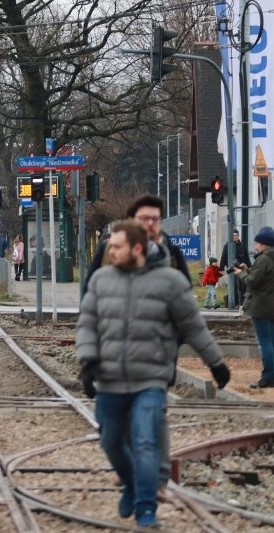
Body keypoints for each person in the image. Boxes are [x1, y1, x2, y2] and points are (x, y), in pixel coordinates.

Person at [76, 219, 230, 529]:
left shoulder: (170, 282)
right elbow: (87, 324)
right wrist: (88, 362)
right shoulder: (101, 280)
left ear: (137, 248)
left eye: (116, 247)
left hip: (150, 379)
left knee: (146, 441)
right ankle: (132, 484)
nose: (111, 252)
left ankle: (146, 509)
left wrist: (215, 363)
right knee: (109, 441)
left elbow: (193, 326)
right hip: (109, 379)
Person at [84, 195, 190, 495]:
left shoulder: (170, 250)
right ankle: (131, 468)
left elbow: (185, 302)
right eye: (144, 219)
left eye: (155, 219)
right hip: (116, 346)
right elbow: (89, 292)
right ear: (132, 221)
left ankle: (158, 478)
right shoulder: (109, 250)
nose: (151, 224)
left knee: (156, 413)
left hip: (160, 349)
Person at [233, 226, 274, 388]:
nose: (255, 246)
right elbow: (264, 279)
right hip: (271, 306)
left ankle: (268, 376)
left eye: (257, 243)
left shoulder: (263, 259)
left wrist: (241, 274)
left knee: (264, 342)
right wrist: (248, 269)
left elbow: (253, 282)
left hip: (261, 306)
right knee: (271, 341)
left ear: (264, 244)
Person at [220, 229, 251, 308]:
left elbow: (246, 257)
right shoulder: (227, 246)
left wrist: (249, 267)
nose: (235, 237)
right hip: (232, 269)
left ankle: (243, 303)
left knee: (243, 286)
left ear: (238, 236)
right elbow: (223, 257)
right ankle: (236, 303)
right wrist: (221, 268)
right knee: (234, 286)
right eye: (233, 236)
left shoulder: (241, 245)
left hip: (241, 268)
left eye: (236, 235)